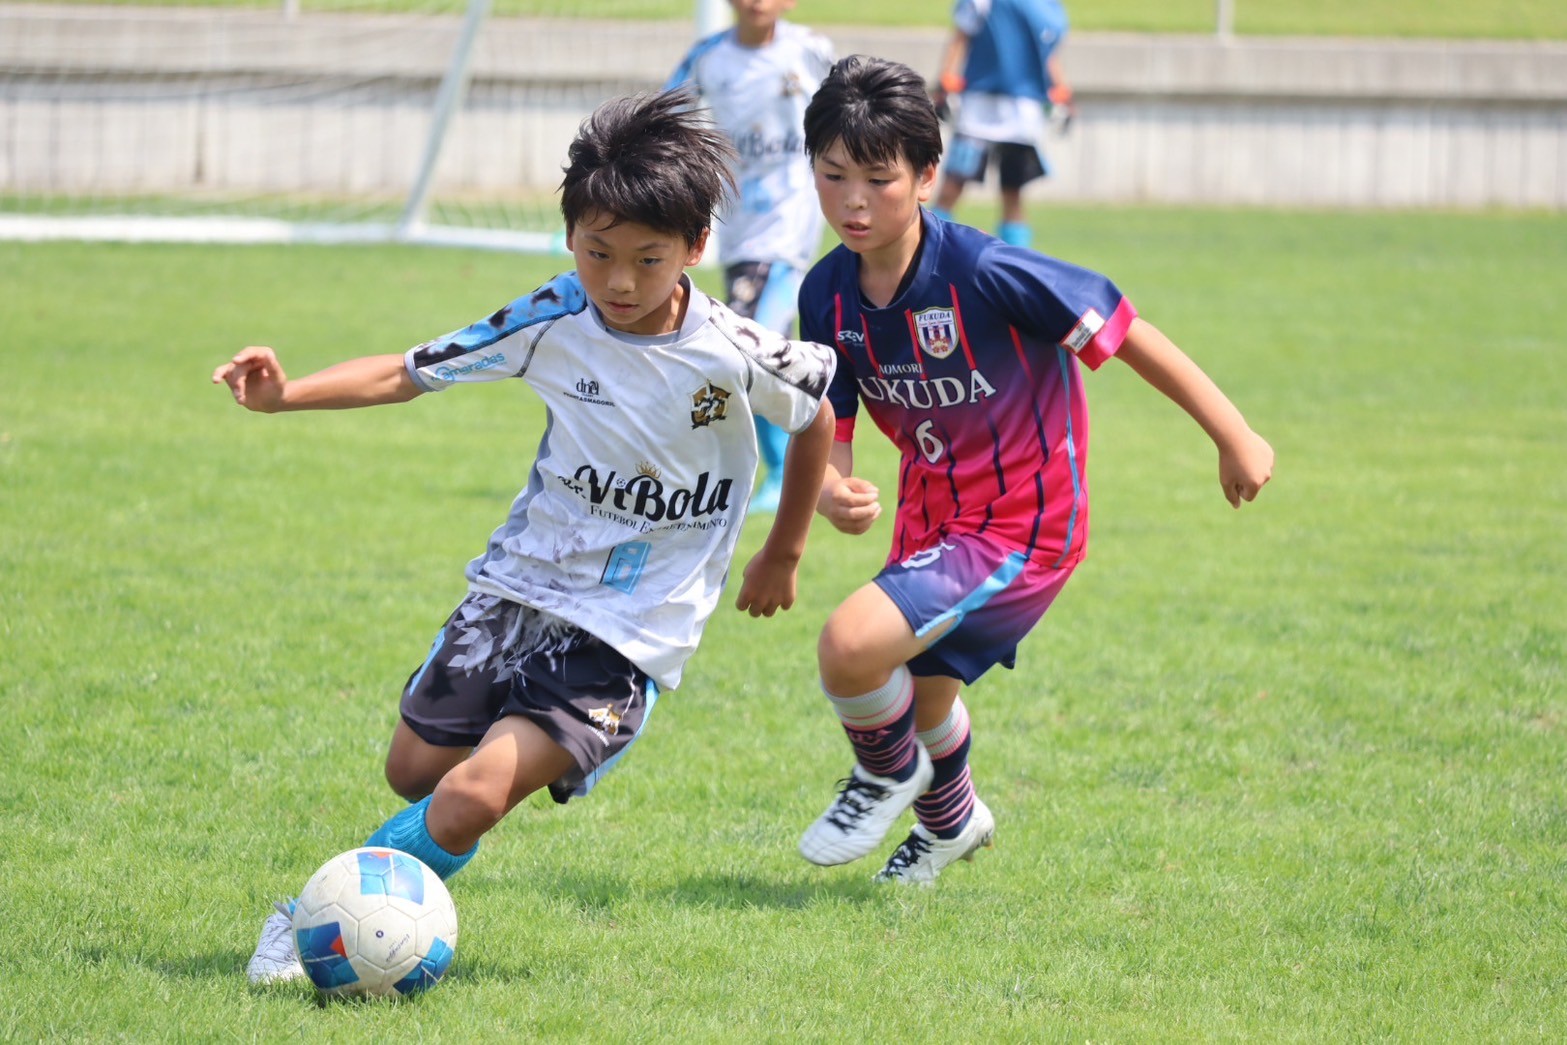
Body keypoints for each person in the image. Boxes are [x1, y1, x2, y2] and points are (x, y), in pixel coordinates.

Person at [216, 88, 837, 983]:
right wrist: (284, 396)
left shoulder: (735, 348)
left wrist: (785, 550)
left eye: (648, 260)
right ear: (569, 237)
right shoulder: (552, 315)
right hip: (520, 587)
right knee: (414, 772)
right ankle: (505, 774)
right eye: (597, 254)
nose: (618, 283)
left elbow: (815, 414)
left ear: (696, 247)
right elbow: (408, 372)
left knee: (467, 798)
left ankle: (307, 921)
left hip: (632, 626)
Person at [794, 55, 1274, 885]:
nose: (853, 202)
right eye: (833, 176)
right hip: (931, 517)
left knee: (849, 647)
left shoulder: (985, 271)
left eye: (878, 179)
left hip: (1024, 522)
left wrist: (1233, 434)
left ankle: (881, 776)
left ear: (928, 175)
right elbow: (832, 417)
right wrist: (833, 486)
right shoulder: (825, 295)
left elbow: (1124, 330)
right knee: (923, 696)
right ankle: (950, 823)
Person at [665, 0, 835, 514]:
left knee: (749, 342)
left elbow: (854, 107)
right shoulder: (707, 57)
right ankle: (783, 467)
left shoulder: (811, 50)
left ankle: (780, 470)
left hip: (791, 221)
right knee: (760, 344)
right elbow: (662, 116)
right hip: (739, 225)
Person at [928, 0, 1075, 249]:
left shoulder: (1046, 5)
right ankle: (929, 247)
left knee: (1013, 192)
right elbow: (961, 37)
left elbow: (1046, 51)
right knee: (953, 184)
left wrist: (1062, 91)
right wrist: (946, 81)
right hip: (978, 107)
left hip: (1022, 112)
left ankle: (1015, 259)